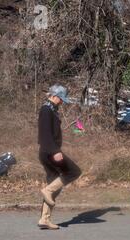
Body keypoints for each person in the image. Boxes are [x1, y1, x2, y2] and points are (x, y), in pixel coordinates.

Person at [38, 84, 82, 230]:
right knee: (74, 171)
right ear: (54, 96)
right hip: (50, 152)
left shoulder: (51, 109)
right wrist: (55, 151)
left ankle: (44, 219)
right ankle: (48, 191)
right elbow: (44, 134)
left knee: (53, 182)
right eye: (61, 99)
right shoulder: (46, 110)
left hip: (49, 151)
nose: (62, 102)